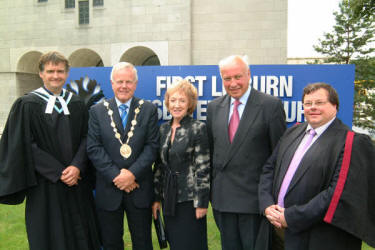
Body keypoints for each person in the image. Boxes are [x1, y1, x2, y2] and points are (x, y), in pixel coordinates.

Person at [0, 51, 101, 250]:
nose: (56, 76)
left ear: (67, 73)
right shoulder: (27, 104)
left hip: (76, 183)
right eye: (51, 71)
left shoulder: (77, 103)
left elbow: (86, 137)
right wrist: (58, 172)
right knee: (50, 236)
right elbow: (24, 144)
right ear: (41, 74)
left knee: (81, 234)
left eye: (60, 71)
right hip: (44, 185)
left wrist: (77, 167)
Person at [258, 82, 375, 250]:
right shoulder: (293, 132)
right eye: (308, 103)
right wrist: (267, 205)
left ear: (335, 106)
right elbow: (269, 168)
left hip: (319, 237)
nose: (312, 107)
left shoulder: (352, 142)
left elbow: (338, 193)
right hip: (278, 230)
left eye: (319, 103)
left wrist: (291, 217)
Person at [206, 55, 286, 250]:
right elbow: (212, 152)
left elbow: (279, 156)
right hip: (222, 201)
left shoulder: (270, 105)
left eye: (238, 77)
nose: (233, 83)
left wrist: (271, 198)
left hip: (254, 202)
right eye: (227, 78)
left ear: (249, 74)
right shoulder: (214, 108)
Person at [87, 62, 159, 250]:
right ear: (112, 83)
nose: (124, 86)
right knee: (111, 243)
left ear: (135, 84)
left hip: (139, 187)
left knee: (143, 242)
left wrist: (131, 174)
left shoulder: (148, 109)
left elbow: (152, 147)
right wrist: (117, 176)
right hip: (109, 188)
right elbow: (94, 147)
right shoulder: (97, 111)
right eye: (120, 81)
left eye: (128, 81)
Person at [152, 79, 210, 250]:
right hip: (168, 199)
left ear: (190, 104)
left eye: (182, 100)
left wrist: (201, 203)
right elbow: (159, 167)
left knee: (191, 244)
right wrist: (156, 198)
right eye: (173, 100)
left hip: (190, 201)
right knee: (175, 243)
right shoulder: (163, 130)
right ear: (168, 102)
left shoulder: (197, 128)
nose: (177, 105)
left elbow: (203, 168)